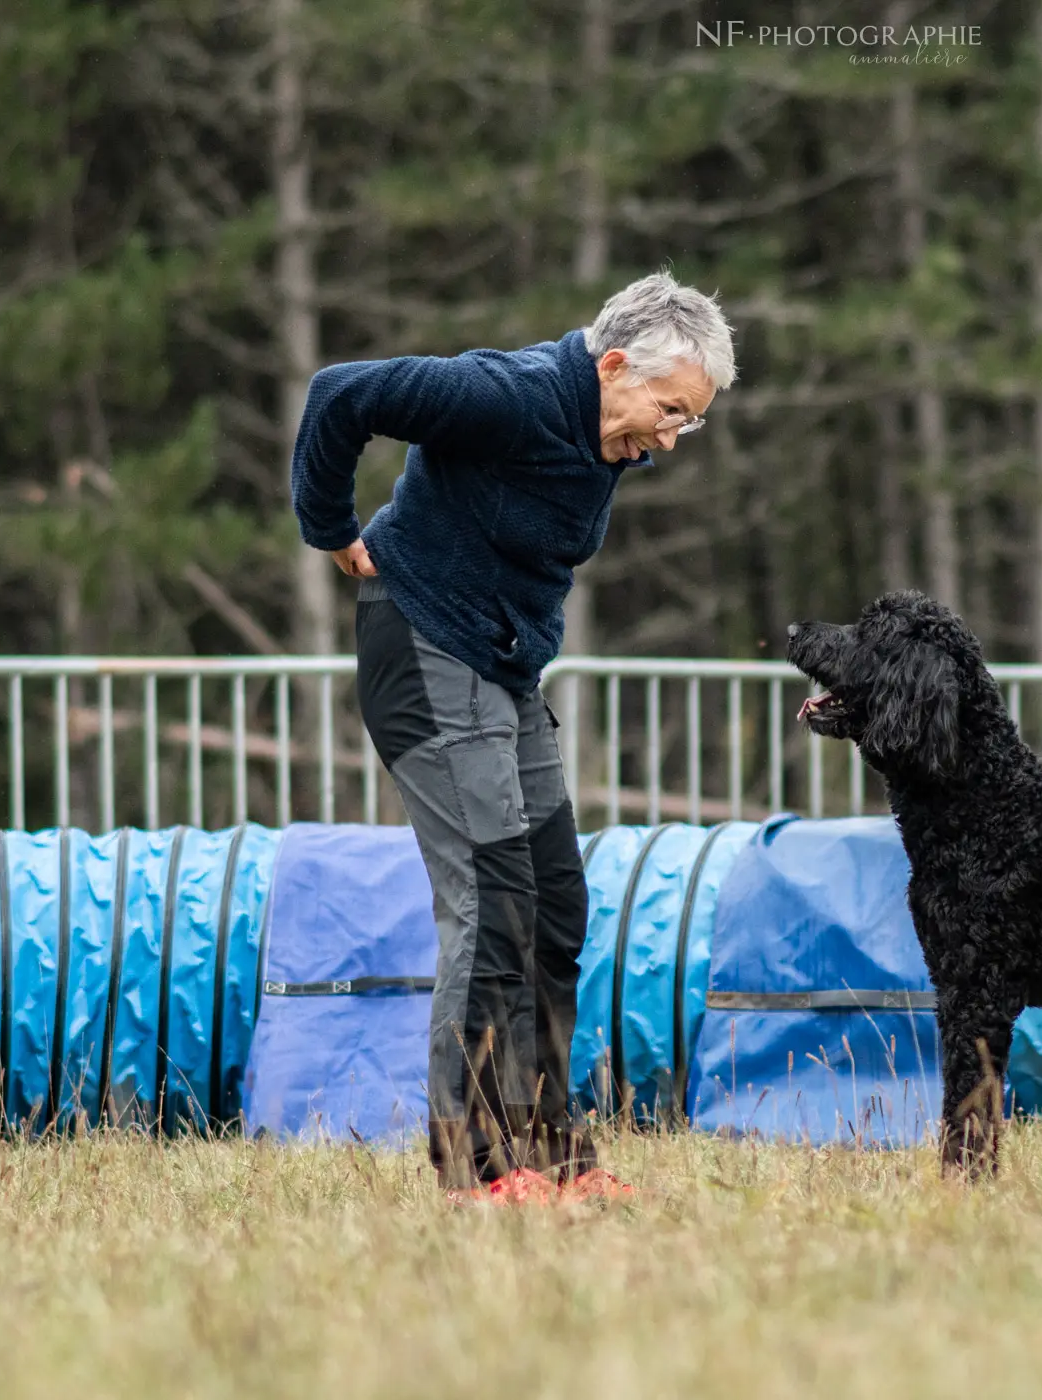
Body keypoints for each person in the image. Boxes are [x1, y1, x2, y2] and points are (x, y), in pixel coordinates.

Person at [289, 272, 735, 1200]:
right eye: (669, 410)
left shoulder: (601, 433)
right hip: (421, 646)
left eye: (688, 420)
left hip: (501, 671)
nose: (671, 437)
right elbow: (342, 392)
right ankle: (477, 1170)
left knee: (556, 906)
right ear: (612, 365)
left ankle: (553, 1155)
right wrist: (329, 525)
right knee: (492, 905)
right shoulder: (510, 395)